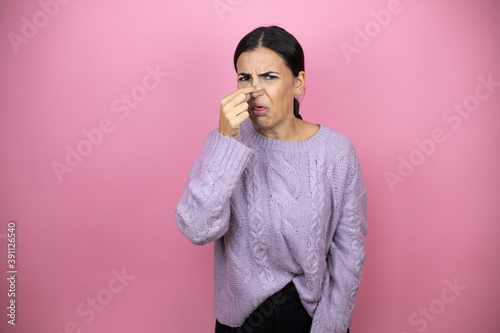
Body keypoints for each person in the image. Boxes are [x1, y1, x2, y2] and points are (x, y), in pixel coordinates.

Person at [175, 25, 367, 333]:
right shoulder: (225, 142)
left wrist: (331, 327)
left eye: (269, 77)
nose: (254, 91)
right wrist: (226, 142)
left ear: (298, 83)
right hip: (241, 320)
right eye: (245, 77)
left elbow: (349, 251)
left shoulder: (336, 151)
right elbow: (197, 229)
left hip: (309, 316)